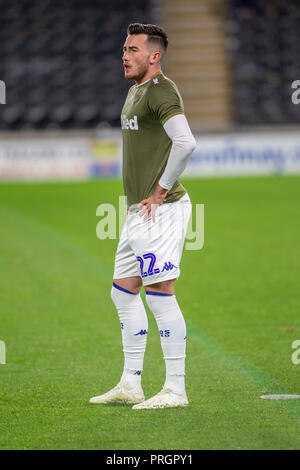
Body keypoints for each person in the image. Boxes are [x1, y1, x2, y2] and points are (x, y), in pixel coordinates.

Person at [90, 23, 196, 409]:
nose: (124, 54)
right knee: (122, 291)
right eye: (124, 48)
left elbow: (186, 142)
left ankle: (175, 390)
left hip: (162, 210)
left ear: (155, 56)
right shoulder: (136, 90)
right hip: (139, 212)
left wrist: (160, 190)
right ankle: (131, 383)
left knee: (160, 294)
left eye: (133, 49)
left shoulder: (162, 90)